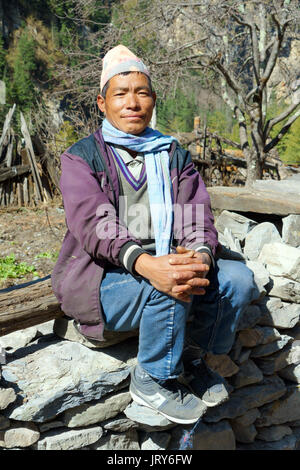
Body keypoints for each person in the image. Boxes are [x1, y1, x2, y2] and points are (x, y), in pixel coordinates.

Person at [52, 45, 259, 425]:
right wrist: (149, 264)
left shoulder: (171, 154)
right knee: (167, 283)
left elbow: (195, 213)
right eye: (121, 93)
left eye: (142, 93)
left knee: (237, 279)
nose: (132, 102)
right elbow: (94, 223)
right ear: (102, 103)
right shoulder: (82, 158)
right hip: (105, 279)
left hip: (167, 261)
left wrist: (199, 256)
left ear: (153, 101)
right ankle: (150, 379)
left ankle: (191, 355)